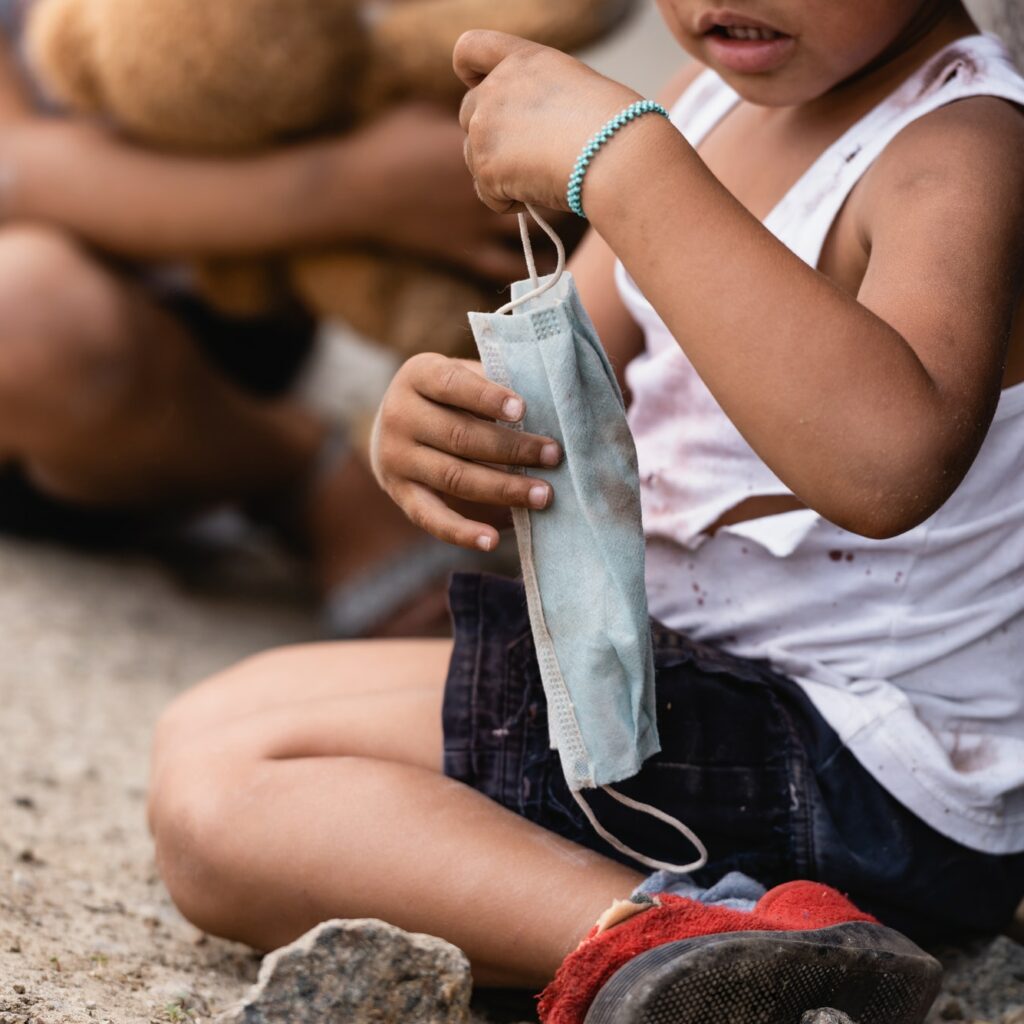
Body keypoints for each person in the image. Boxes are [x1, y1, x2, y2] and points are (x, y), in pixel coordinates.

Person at [148, 1, 1024, 1021]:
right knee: (214, 729)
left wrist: (629, 165)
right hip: (702, 704)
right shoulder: (709, 109)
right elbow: (561, 394)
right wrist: (435, 426)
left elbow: (884, 466)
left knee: (222, 804)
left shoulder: (967, 146)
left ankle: (687, 946)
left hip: (865, 771)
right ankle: (723, 938)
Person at [0, 1, 526, 634]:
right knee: (26, 313)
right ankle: (305, 473)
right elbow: (18, 173)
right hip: (50, 376)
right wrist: (364, 188)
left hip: (255, 309)